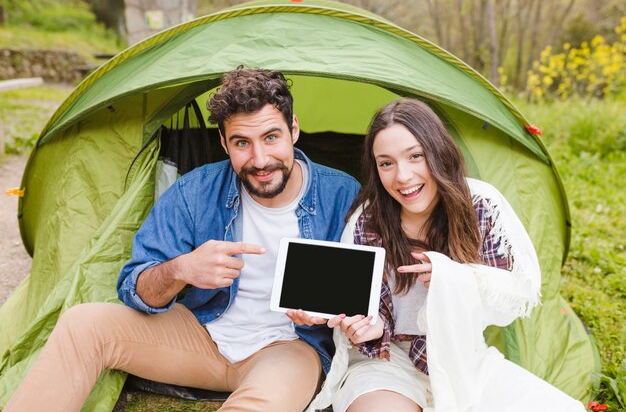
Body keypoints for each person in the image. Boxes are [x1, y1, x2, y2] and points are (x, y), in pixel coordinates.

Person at [4, 66, 360, 412]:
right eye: (241, 143)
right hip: (201, 335)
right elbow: (135, 287)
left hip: (288, 348)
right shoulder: (195, 190)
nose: (260, 159)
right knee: (83, 324)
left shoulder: (343, 195)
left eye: (271, 137)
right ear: (223, 142)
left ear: (293, 129)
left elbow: (371, 297)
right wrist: (182, 269)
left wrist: (328, 314)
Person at [303, 98, 586, 412]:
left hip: (462, 359)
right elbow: (362, 312)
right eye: (387, 163)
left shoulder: (479, 205)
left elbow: (510, 302)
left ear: (438, 152)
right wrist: (372, 329)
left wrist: (456, 278)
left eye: (416, 156)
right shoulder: (366, 223)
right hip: (387, 363)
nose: (403, 176)